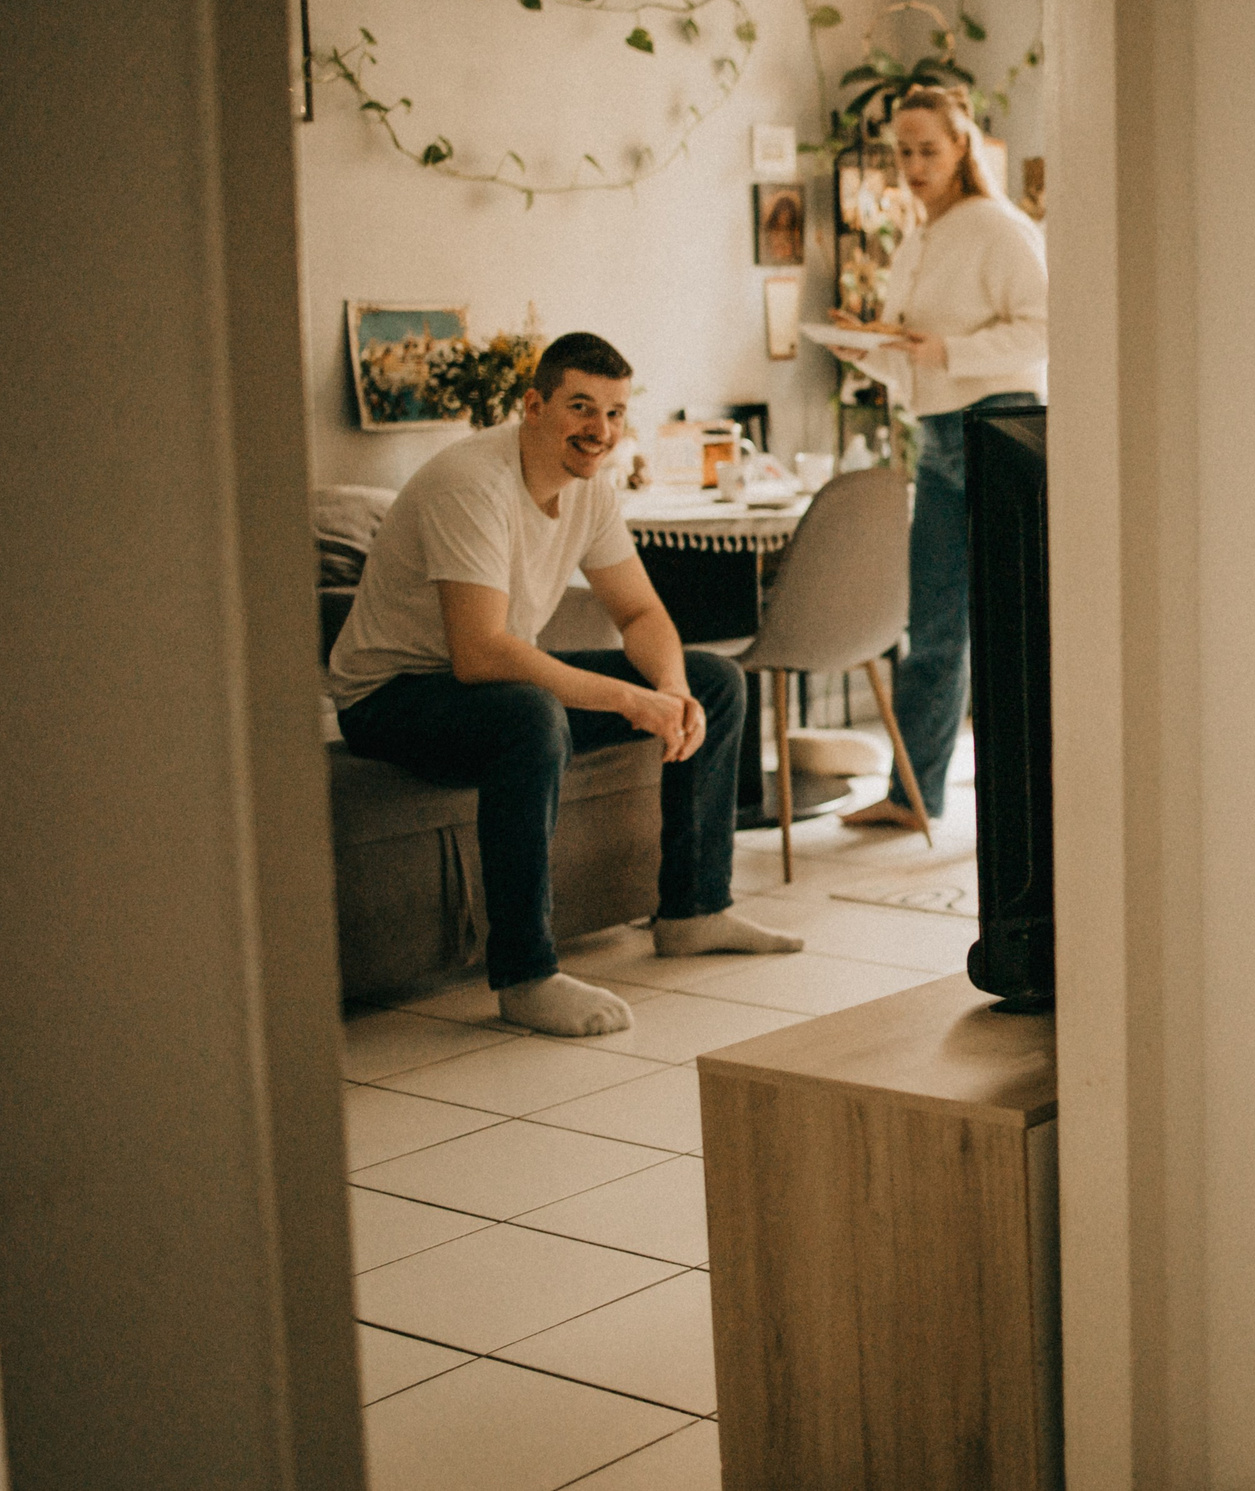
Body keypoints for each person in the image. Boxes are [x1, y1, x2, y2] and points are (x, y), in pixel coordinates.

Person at [328, 332, 801, 1038]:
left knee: (715, 680)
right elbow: (480, 654)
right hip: (388, 694)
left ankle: (693, 911)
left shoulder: (591, 490)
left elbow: (640, 612)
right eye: (582, 407)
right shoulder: (472, 484)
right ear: (534, 405)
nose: (600, 431)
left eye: (614, 413)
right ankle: (524, 975)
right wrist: (626, 698)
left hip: (474, 680)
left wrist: (670, 690)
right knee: (530, 716)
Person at [831, 84, 1047, 833]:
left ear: (961, 147)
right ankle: (913, 794)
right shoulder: (916, 238)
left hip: (996, 428)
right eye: (904, 151)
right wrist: (869, 347)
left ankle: (1024, 800)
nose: (915, 164)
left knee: (1003, 624)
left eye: (929, 148)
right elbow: (916, 363)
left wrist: (945, 351)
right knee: (933, 622)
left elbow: (1046, 328)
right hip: (937, 432)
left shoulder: (998, 227)